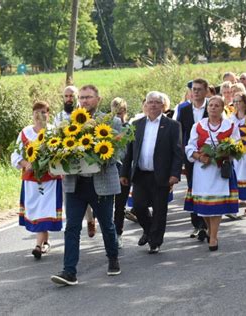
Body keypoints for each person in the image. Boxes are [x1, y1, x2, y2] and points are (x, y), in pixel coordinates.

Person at [51, 85, 122, 286]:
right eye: (81, 97)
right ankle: (69, 271)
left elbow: (118, 153)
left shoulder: (112, 122)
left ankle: (113, 257)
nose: (84, 101)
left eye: (88, 97)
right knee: (72, 227)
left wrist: (98, 157)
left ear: (98, 99)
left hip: (101, 182)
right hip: (75, 184)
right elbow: (60, 149)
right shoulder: (67, 125)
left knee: (107, 225)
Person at [120, 91, 182, 254]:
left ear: (163, 106)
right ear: (145, 105)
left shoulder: (172, 125)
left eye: (157, 102)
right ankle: (148, 230)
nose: (153, 105)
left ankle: (155, 242)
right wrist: (124, 173)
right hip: (140, 174)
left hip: (161, 175)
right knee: (139, 207)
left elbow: (177, 152)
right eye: (150, 102)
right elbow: (129, 151)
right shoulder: (136, 124)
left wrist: (175, 174)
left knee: (160, 210)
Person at [184, 96, 240, 251]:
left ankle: (213, 237)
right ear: (207, 108)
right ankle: (210, 230)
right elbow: (189, 147)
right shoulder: (198, 126)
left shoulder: (230, 126)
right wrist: (199, 156)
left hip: (220, 171)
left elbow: (237, 146)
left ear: (222, 109)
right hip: (202, 171)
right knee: (204, 208)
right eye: (211, 106)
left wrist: (227, 152)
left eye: (217, 106)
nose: (213, 108)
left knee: (216, 206)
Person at [11, 101, 62, 259]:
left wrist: (52, 164)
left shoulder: (54, 132)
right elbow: (16, 154)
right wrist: (27, 164)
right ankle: (44, 243)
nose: (40, 115)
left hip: (50, 180)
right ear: (32, 115)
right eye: (37, 112)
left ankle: (38, 246)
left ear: (48, 114)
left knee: (45, 211)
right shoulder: (25, 133)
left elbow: (62, 155)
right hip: (32, 180)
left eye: (44, 112)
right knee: (36, 211)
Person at [53, 86, 96, 238]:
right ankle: (72, 225)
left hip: (85, 158)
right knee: (71, 193)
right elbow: (55, 137)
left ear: (77, 97)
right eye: (66, 96)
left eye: (71, 96)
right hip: (67, 158)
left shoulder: (85, 114)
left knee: (88, 193)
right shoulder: (58, 117)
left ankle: (91, 220)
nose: (68, 99)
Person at [176, 78, 209, 240]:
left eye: (199, 89)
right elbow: (178, 131)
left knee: (207, 187)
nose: (195, 92)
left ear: (206, 91)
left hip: (209, 155)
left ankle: (207, 223)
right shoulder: (183, 109)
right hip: (190, 156)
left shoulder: (213, 106)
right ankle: (197, 224)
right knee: (192, 187)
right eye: (193, 89)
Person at [111, 97, 131, 249]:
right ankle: (110, 232)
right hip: (110, 171)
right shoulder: (107, 129)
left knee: (120, 205)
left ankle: (118, 233)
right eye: (116, 112)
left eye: (122, 112)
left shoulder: (129, 128)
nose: (119, 115)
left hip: (124, 171)